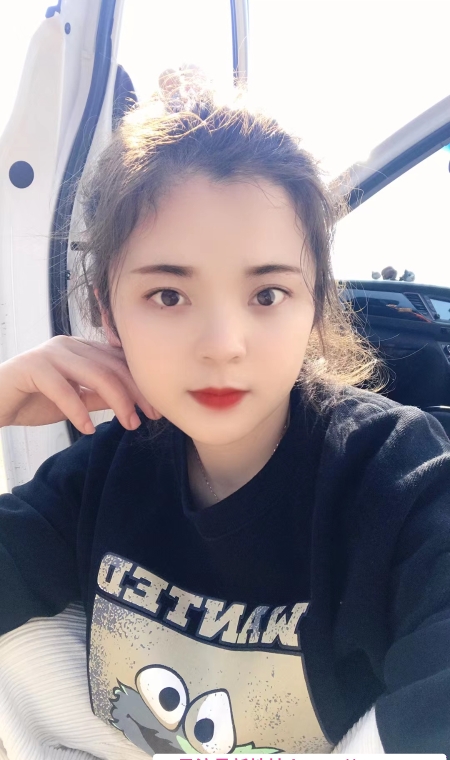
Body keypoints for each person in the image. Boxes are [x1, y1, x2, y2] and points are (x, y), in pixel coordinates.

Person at [0, 80, 449, 757]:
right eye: (168, 295)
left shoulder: (396, 475)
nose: (222, 345)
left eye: (267, 294)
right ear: (107, 312)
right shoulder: (105, 470)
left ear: (314, 305)